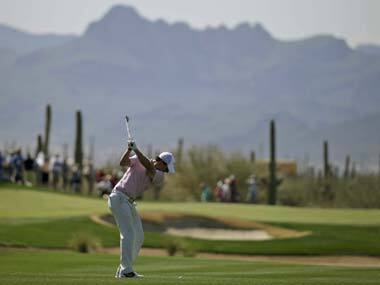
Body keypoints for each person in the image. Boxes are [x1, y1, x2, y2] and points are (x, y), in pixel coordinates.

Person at [108, 140, 175, 279]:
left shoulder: (159, 176)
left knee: (139, 236)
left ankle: (124, 268)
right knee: (128, 234)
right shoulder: (139, 160)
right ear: (161, 162)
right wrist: (129, 150)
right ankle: (126, 270)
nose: (166, 171)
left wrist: (137, 150)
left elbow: (150, 168)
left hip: (128, 202)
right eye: (166, 168)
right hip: (119, 197)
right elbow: (123, 162)